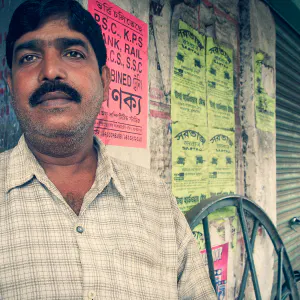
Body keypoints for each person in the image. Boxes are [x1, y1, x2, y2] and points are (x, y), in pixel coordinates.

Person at [0, 0, 217, 299]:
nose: (50, 71)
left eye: (73, 53)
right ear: (10, 83)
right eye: (29, 57)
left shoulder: (156, 198)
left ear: (104, 80)